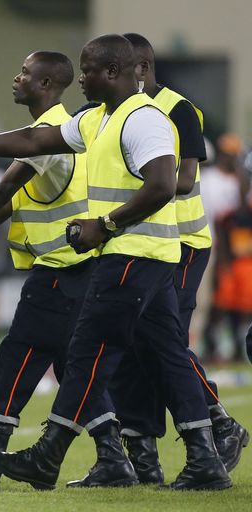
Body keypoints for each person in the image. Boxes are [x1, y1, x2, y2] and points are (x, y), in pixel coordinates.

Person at [0, 34, 231, 491]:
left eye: (88, 70)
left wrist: (106, 224)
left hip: (132, 254)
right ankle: (204, 458)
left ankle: (50, 456)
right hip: (142, 256)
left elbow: (165, 185)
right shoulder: (97, 119)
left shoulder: (145, 120)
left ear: (116, 73)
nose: (80, 78)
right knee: (167, 357)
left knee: (87, 353)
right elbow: (34, 137)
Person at [0, 51, 131, 488]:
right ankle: (114, 456)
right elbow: (11, 203)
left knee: (18, 351)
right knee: (67, 365)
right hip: (76, 268)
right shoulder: (54, 132)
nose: (15, 78)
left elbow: (2, 192)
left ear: (46, 84)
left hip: (61, 268)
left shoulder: (49, 133)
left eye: (25, 73)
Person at [105, 33, 248, 484]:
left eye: (111, 68)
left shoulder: (179, 109)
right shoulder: (118, 112)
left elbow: (182, 179)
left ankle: (220, 424)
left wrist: (139, 186)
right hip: (143, 242)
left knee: (162, 340)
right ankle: (143, 457)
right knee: (132, 343)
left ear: (140, 68)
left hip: (183, 243)